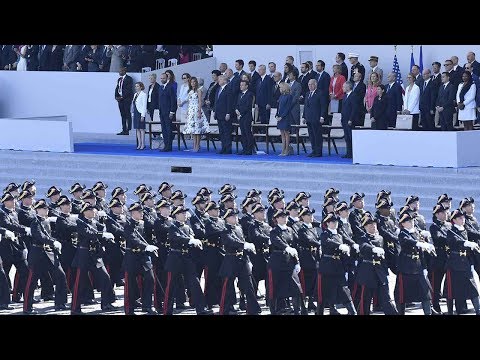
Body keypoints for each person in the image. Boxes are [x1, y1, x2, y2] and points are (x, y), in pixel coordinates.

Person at [70, 202, 117, 314]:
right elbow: (89, 233)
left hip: (95, 255)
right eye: (91, 210)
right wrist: (102, 235)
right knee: (79, 283)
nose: (94, 212)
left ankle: (106, 303)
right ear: (85, 211)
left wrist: (107, 238)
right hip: (84, 254)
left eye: (94, 210)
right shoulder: (80, 223)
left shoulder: (96, 223)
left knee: (105, 277)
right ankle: (75, 308)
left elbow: (100, 235)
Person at [22, 199, 67, 314]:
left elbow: (50, 235)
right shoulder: (35, 222)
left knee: (61, 275)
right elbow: (40, 236)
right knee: (32, 281)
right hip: (37, 254)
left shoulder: (47, 221)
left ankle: (60, 303)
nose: (46, 210)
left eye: (47, 208)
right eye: (44, 208)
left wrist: (55, 242)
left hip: (49, 253)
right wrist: (53, 242)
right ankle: (27, 308)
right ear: (37, 210)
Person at [122, 201, 158, 315]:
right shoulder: (128, 225)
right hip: (132, 257)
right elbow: (133, 239)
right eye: (139, 211)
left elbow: (146, 237)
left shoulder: (142, 223)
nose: (142, 213)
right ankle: (129, 309)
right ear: (133, 213)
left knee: (150, 279)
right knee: (130, 285)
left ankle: (147, 306)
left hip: (143, 257)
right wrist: (146, 246)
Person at [395, 213, 434, 315]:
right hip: (406, 267)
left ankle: (428, 312)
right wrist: (417, 243)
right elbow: (406, 241)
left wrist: (424, 266)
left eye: (412, 221)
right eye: (408, 221)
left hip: (418, 266)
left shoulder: (416, 233)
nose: (411, 223)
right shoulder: (402, 233)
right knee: (402, 294)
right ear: (403, 224)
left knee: (425, 291)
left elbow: (420, 252)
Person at [444, 209, 480, 315]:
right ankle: (458, 310)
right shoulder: (451, 231)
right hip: (455, 263)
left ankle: (478, 309)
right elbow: (454, 241)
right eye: (460, 218)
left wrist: (472, 263)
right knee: (457, 289)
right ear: (454, 220)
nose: (463, 219)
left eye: (463, 218)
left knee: (473, 287)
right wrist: (466, 243)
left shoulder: (464, 230)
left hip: (465, 263)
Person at [183, 77, 210, 152]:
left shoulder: (199, 90)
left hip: (197, 110)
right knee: (193, 129)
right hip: (191, 110)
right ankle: (194, 145)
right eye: (192, 82)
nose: (193, 83)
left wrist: (199, 111)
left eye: (194, 82)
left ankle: (197, 146)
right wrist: (188, 112)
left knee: (198, 129)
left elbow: (200, 101)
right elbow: (189, 102)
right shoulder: (190, 91)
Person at [302, 79, 326, 158]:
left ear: (315, 84)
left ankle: (318, 152)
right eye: (309, 84)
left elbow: (323, 106)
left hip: (316, 118)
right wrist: (304, 116)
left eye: (311, 84)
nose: (310, 86)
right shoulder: (308, 93)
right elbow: (306, 106)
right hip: (309, 118)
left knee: (317, 135)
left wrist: (322, 116)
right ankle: (314, 150)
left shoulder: (320, 93)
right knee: (311, 135)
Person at [158, 72, 178, 152]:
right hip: (162, 112)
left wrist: (172, 112)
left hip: (168, 112)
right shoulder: (160, 87)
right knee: (164, 129)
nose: (162, 80)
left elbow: (173, 101)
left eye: (163, 78)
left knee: (168, 129)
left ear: (167, 78)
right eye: (161, 78)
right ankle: (166, 145)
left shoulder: (170, 87)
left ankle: (169, 146)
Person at [213, 75, 233, 154]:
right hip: (219, 113)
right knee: (221, 132)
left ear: (224, 80)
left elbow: (229, 102)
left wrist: (228, 113)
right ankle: (223, 147)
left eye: (220, 79)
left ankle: (228, 148)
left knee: (226, 131)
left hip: (225, 114)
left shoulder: (228, 89)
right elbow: (216, 101)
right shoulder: (218, 89)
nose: (218, 81)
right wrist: (215, 111)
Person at [235, 80, 255, 155]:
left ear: (246, 86)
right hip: (241, 116)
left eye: (243, 85)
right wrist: (236, 110)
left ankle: (249, 149)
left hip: (246, 116)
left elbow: (248, 106)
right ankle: (244, 148)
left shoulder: (249, 94)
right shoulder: (240, 94)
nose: (241, 86)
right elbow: (237, 104)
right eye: (240, 85)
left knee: (247, 133)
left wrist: (241, 113)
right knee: (243, 133)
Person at [276, 82, 293, 156]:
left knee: (286, 133)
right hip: (280, 117)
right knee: (282, 133)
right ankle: (282, 150)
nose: (280, 89)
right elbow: (278, 106)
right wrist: (277, 115)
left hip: (285, 117)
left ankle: (287, 149)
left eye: (281, 87)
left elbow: (288, 108)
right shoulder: (281, 96)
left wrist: (281, 116)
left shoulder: (289, 96)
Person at [115, 66, 134, 135]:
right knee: (122, 114)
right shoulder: (119, 79)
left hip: (126, 99)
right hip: (120, 100)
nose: (119, 72)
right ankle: (124, 130)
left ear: (124, 71)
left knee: (127, 114)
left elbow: (128, 90)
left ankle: (129, 130)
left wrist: (122, 97)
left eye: (120, 71)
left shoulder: (129, 79)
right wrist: (116, 96)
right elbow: (117, 88)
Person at [131, 81, 148, 150]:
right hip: (135, 112)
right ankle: (139, 143)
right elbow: (133, 104)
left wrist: (143, 115)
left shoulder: (143, 94)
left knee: (141, 129)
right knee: (137, 129)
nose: (136, 87)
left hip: (140, 113)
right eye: (135, 86)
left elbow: (144, 106)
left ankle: (143, 144)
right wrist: (132, 113)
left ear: (141, 87)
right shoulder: (135, 94)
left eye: (137, 86)